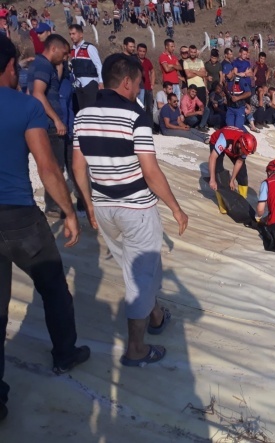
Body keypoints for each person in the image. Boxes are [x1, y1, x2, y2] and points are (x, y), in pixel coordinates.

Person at [73, 53, 188, 367]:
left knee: (134, 268)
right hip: (136, 208)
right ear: (126, 82)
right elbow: (150, 172)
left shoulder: (82, 115)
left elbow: (78, 164)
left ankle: (156, 315)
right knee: (139, 276)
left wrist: (89, 205)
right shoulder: (135, 116)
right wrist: (176, 208)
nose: (139, 89)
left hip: (105, 206)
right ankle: (136, 349)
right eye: (138, 83)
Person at [0, 35, 90, 423]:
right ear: (8, 67)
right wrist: (70, 212)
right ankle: (64, 353)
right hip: (19, 217)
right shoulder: (24, 107)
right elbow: (48, 168)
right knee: (53, 286)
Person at [27, 34, 71, 218]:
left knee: (54, 165)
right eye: (64, 52)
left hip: (45, 122)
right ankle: (54, 205)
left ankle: (55, 204)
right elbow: (37, 93)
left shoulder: (42, 65)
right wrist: (57, 120)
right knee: (56, 166)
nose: (66, 56)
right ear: (54, 49)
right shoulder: (44, 65)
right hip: (50, 124)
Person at [207, 128, 257, 213]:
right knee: (218, 171)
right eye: (243, 152)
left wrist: (232, 180)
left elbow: (239, 162)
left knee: (242, 173)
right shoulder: (225, 139)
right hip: (217, 142)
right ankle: (223, 203)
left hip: (233, 148)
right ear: (239, 144)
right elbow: (212, 158)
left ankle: (242, 201)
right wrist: (212, 179)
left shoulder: (246, 147)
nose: (244, 154)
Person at [69, 24, 103, 111]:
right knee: (82, 110)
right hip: (79, 85)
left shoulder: (89, 48)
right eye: (70, 34)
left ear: (81, 34)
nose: (72, 36)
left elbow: (98, 65)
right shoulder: (73, 50)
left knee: (92, 110)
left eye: (74, 33)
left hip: (90, 83)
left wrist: (101, 82)